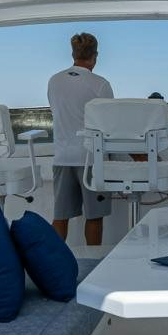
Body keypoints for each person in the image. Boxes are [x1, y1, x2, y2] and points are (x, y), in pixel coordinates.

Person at [48, 32, 113, 244]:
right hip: (91, 160)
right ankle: (93, 266)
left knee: (60, 217)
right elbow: (109, 125)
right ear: (95, 55)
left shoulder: (54, 81)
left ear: (73, 53)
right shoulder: (100, 84)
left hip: (62, 158)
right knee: (94, 217)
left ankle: (53, 266)